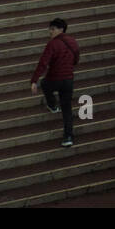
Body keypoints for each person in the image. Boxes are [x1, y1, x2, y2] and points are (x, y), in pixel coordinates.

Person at [30, 18, 80, 147]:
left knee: (45, 84)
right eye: (50, 29)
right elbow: (76, 59)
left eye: (53, 29)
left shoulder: (52, 44)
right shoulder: (73, 42)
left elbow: (43, 63)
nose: (50, 32)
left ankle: (52, 105)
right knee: (67, 109)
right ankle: (68, 137)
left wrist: (34, 80)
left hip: (54, 79)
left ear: (61, 29)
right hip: (68, 80)